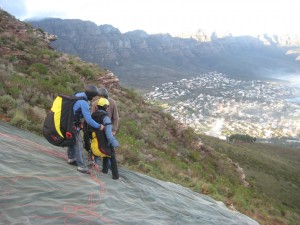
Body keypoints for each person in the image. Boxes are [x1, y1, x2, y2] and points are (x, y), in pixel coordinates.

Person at [67, 85, 103, 174]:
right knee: (79, 143)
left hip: (68, 121)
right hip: (73, 124)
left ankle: (71, 158)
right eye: (93, 96)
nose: (94, 98)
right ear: (90, 95)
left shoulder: (78, 94)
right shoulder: (84, 103)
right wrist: (99, 126)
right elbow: (89, 120)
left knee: (72, 140)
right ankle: (82, 166)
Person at [88, 97, 120, 179]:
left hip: (94, 146)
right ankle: (115, 176)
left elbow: (88, 130)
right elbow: (109, 135)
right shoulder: (106, 118)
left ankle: (91, 169)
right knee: (111, 154)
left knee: (102, 152)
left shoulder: (92, 116)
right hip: (103, 146)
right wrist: (115, 144)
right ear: (106, 107)